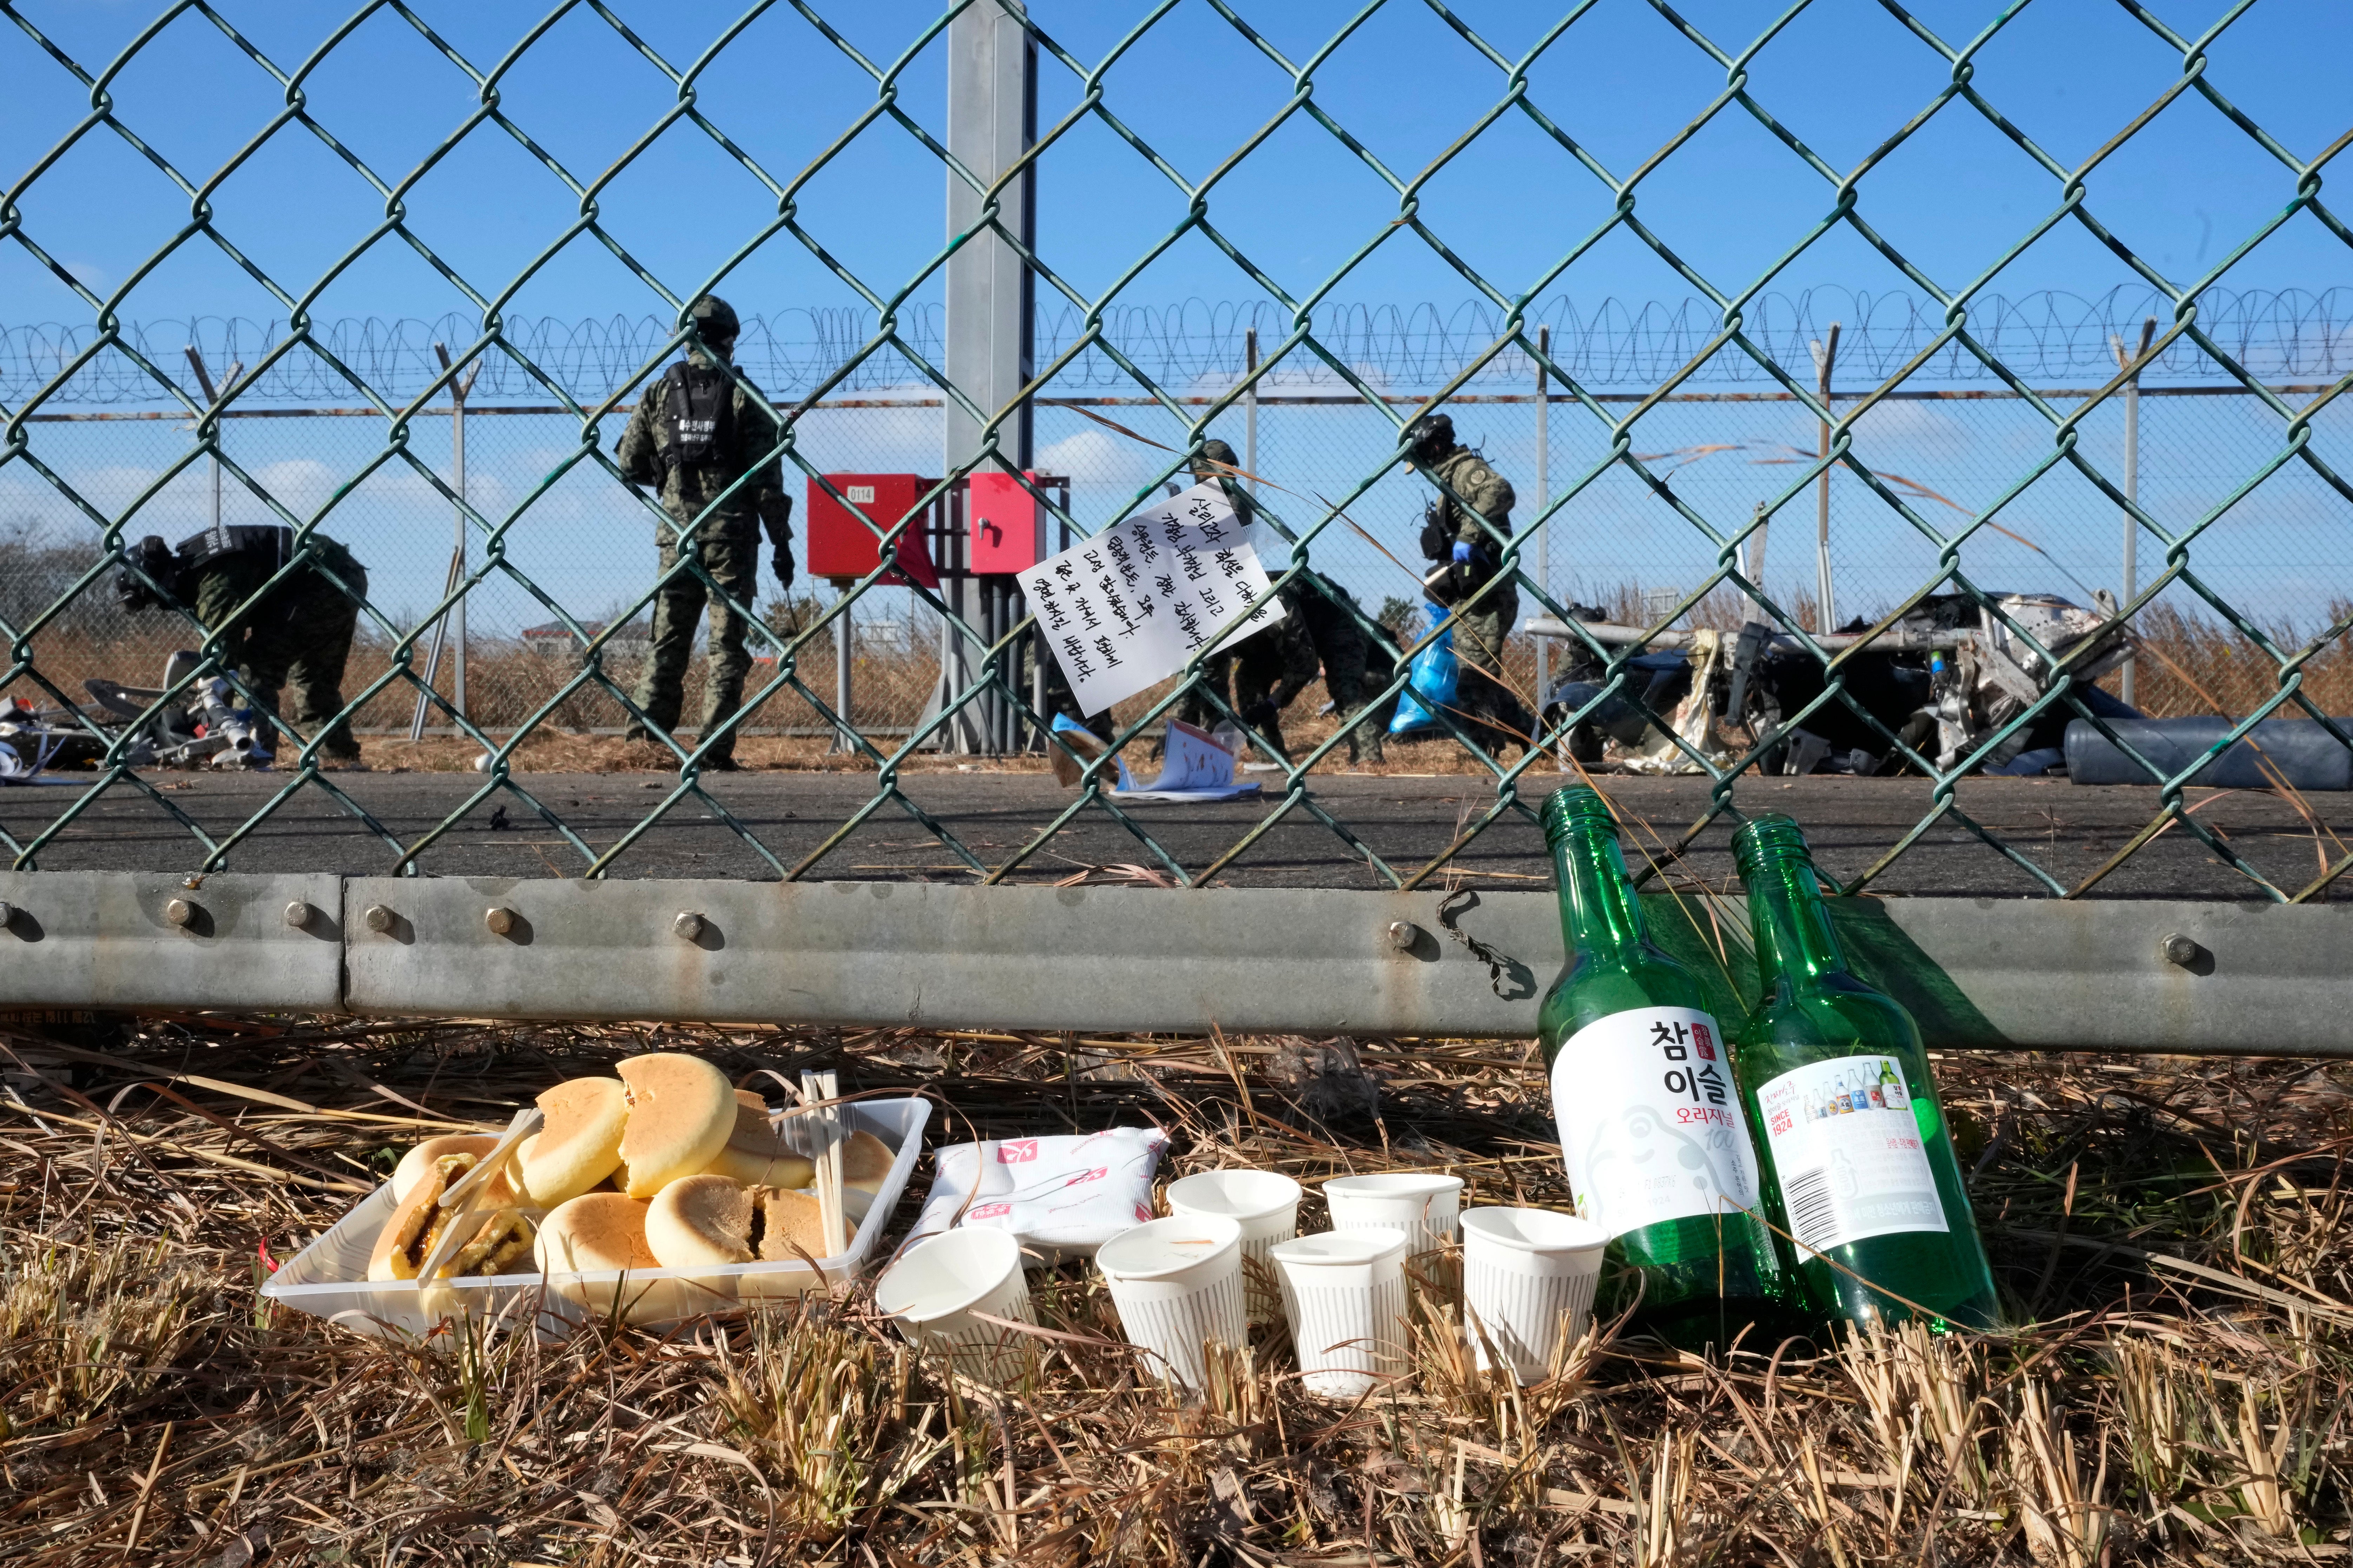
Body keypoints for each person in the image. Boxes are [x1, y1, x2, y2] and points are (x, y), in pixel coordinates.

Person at [615, 295, 796, 770]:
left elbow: (627, 463)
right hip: (731, 540)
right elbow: (767, 483)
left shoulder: (658, 393)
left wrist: (669, 473)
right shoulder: (744, 395)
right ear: (731, 339)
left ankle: (644, 741)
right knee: (726, 646)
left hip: (676, 536)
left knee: (667, 638)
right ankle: (713, 749)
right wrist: (781, 543)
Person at [114, 523, 368, 767]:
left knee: (252, 673)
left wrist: (210, 702)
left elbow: (223, 656)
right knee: (314, 677)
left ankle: (252, 752)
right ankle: (340, 756)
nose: (160, 607)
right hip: (339, 573)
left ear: (159, 582)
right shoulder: (202, 561)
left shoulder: (214, 580)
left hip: (319, 579)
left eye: (152, 599)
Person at [1405, 411, 1536, 755]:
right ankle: (1533, 738)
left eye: (1421, 460)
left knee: (1473, 682)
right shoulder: (1449, 483)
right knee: (1480, 675)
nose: (1421, 468)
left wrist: (1468, 536)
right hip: (1472, 595)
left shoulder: (1465, 471)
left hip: (1489, 594)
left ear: (1433, 448)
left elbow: (1500, 491)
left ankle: (1487, 748)